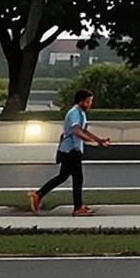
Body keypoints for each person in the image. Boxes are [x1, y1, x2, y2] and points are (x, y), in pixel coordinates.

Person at [30, 86, 110, 214]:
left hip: (72, 150)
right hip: (71, 150)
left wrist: (99, 140)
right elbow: (76, 131)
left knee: (63, 176)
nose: (90, 104)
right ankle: (78, 208)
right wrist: (91, 142)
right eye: (88, 101)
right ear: (81, 101)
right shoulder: (74, 113)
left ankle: (38, 194)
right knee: (77, 178)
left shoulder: (81, 113)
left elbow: (84, 130)